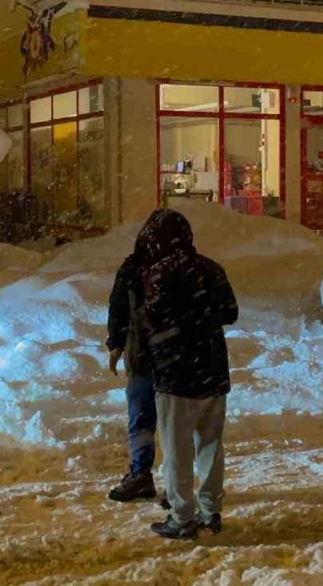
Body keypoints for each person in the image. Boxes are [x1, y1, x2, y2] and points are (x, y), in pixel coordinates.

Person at [137, 209, 239, 540]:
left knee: (177, 449)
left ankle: (182, 517)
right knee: (211, 445)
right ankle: (211, 511)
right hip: (212, 370)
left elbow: (151, 320)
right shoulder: (212, 268)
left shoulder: (159, 272)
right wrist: (202, 317)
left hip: (176, 375)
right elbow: (230, 313)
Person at [105, 225, 159, 503]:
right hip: (174, 358)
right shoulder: (182, 267)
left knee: (141, 418)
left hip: (142, 356)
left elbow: (118, 307)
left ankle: (141, 474)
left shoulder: (133, 267)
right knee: (175, 422)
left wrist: (116, 343)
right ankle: (176, 481)